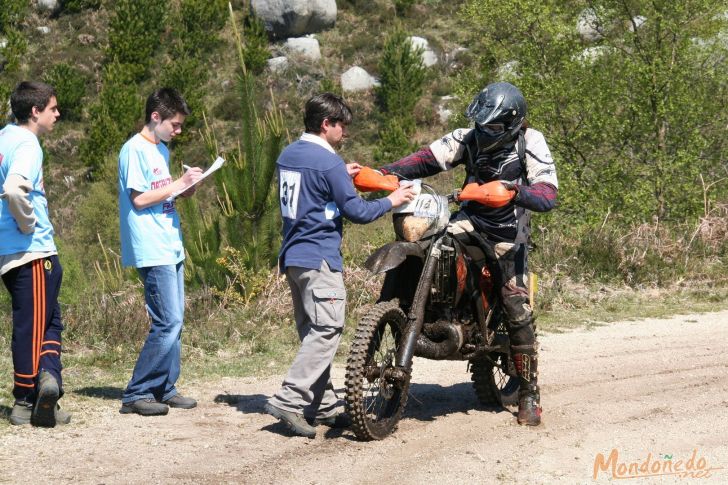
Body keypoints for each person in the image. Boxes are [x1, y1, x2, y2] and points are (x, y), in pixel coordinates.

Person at [377, 82, 558, 426]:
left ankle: (529, 393)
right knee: (431, 244)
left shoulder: (530, 142)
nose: (484, 131)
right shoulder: (468, 137)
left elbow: (547, 194)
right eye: (481, 124)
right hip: (469, 221)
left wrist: (514, 191)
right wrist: (385, 172)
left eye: (491, 127)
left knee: (515, 304)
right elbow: (425, 159)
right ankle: (423, 313)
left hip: (508, 237)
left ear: (512, 124)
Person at [265, 93, 416, 438]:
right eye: (341, 125)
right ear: (325, 124)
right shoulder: (327, 162)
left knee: (313, 331)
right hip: (319, 257)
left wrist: (339, 176)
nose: (345, 133)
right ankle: (290, 399)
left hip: (293, 257)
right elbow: (358, 212)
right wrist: (391, 200)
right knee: (327, 330)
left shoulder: (289, 155)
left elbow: (312, 191)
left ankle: (325, 405)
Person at [117, 88, 204, 416]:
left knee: (175, 321)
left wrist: (184, 190)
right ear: (156, 117)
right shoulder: (134, 149)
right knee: (167, 321)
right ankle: (137, 392)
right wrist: (178, 183)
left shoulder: (160, 150)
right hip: (151, 247)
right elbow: (139, 199)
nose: (178, 131)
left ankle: (164, 387)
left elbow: (160, 194)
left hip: (170, 243)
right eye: (175, 125)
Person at [0, 81, 71, 427]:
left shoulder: (3, 139)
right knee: (34, 326)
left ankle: (49, 385)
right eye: (53, 108)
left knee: (47, 321)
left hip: (9, 252)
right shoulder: (27, 144)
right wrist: (28, 225)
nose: (57, 114)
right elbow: (14, 189)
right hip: (32, 250)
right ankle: (26, 399)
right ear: (35, 111)